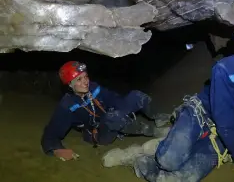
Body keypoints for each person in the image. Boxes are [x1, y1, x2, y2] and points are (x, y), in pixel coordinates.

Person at [102, 10, 234, 182]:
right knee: (168, 161)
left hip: (226, 134)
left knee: (178, 179)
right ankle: (145, 151)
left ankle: (145, 159)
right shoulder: (225, 70)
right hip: (199, 116)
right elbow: (226, 122)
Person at [41, 61, 170, 161]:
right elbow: (51, 132)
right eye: (79, 80)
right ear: (70, 84)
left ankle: (160, 118)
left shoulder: (94, 87)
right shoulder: (67, 105)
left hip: (110, 116)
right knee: (114, 117)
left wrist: (126, 107)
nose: (85, 82)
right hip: (97, 133)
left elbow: (113, 98)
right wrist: (56, 150)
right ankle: (154, 132)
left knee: (136, 96)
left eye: (85, 77)